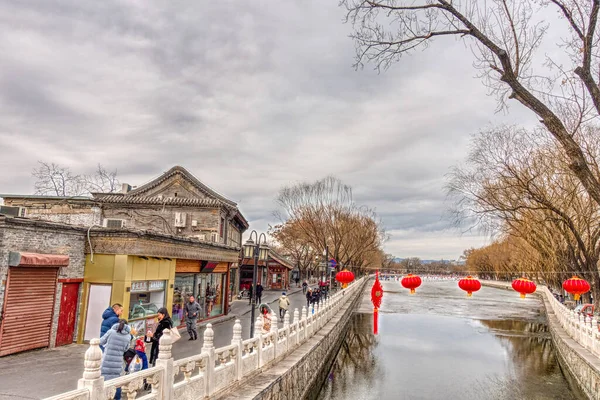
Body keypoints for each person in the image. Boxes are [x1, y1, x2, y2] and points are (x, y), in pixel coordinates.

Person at [100, 319, 132, 400]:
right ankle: (117, 398)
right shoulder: (128, 336)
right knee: (116, 382)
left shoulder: (111, 332)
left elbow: (101, 341)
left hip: (106, 361)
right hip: (117, 363)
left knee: (104, 381)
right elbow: (126, 349)